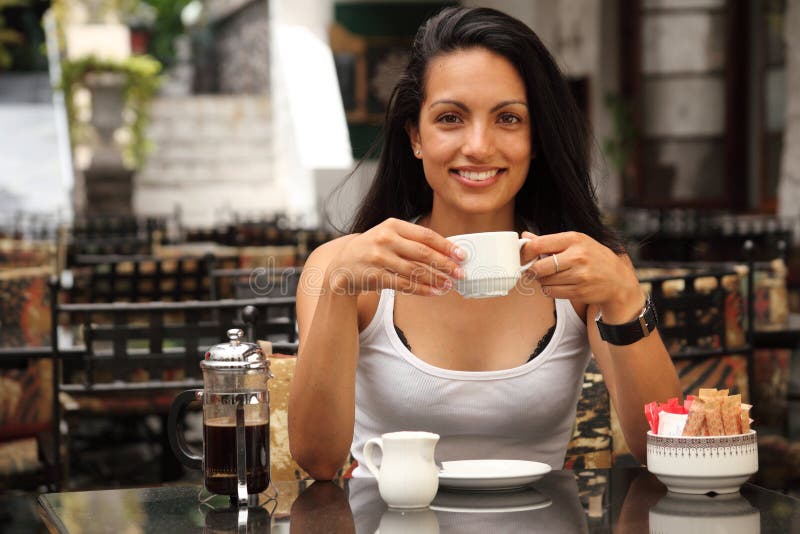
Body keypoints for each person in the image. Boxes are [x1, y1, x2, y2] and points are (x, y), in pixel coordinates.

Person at [288, 6, 681, 480]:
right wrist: (337, 288)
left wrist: (624, 297)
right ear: (415, 135)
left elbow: (663, 447)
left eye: (508, 119)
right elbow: (318, 460)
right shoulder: (341, 266)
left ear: (536, 139)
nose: (478, 145)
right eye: (450, 118)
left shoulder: (582, 270)